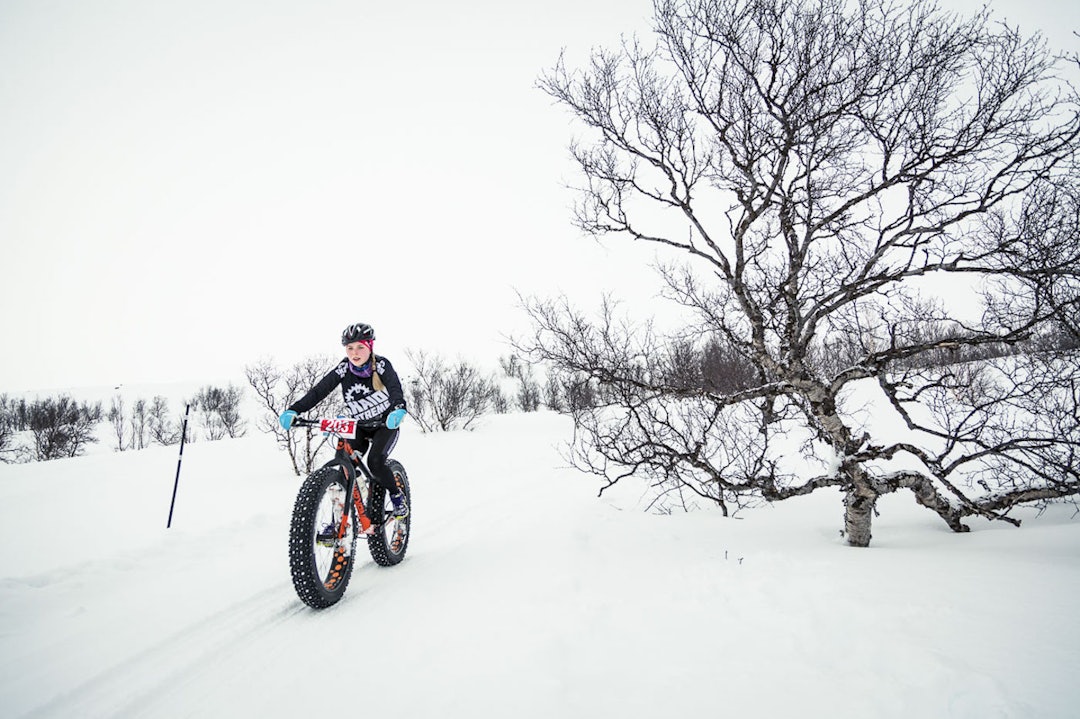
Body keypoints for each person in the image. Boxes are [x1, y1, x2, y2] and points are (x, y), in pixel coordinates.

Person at [278, 322, 409, 520]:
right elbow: (319, 391)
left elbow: (395, 388)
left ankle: (397, 497)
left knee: (375, 462)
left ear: (370, 347)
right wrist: (295, 410)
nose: (354, 353)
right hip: (358, 426)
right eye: (350, 348)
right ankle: (340, 519)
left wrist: (398, 408)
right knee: (345, 466)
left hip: (385, 425)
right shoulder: (343, 368)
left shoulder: (382, 365)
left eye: (360, 347)